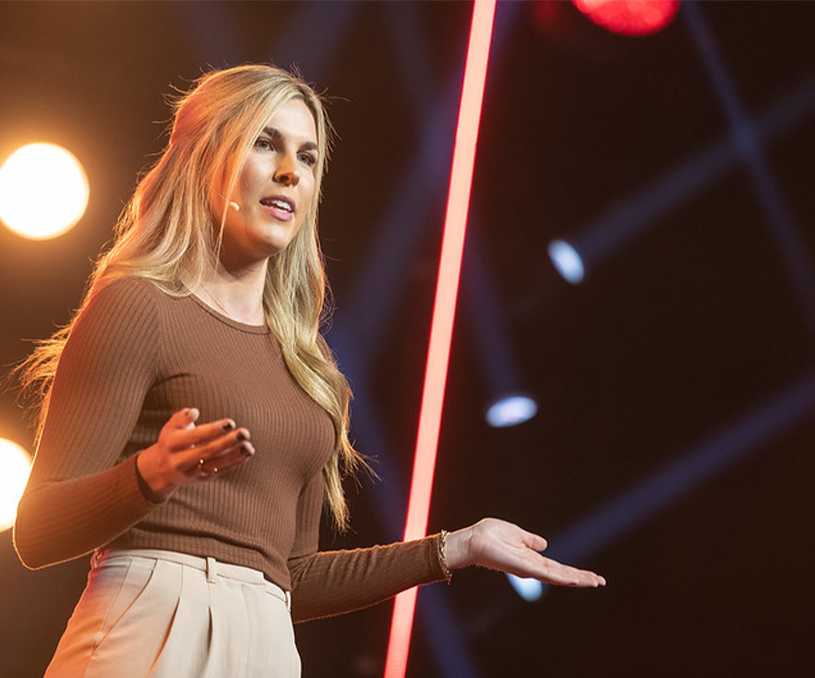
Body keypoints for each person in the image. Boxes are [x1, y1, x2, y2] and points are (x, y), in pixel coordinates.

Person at [13, 64, 604, 678]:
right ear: (205, 159)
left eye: (309, 156)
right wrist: (148, 476)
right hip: (150, 625)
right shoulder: (139, 305)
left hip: (267, 646)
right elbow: (36, 532)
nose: (291, 171)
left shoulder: (310, 367)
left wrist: (454, 547)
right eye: (264, 143)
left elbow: (290, 576)